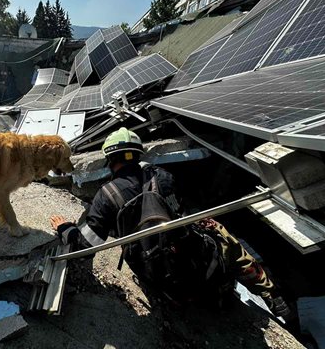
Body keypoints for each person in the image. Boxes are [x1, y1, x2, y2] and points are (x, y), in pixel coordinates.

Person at [50, 127, 292, 321]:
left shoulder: (106, 195)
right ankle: (268, 291)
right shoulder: (163, 177)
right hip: (193, 259)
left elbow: (84, 247)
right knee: (218, 231)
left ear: (109, 159)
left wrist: (65, 228)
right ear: (138, 154)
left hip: (156, 274)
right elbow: (178, 211)